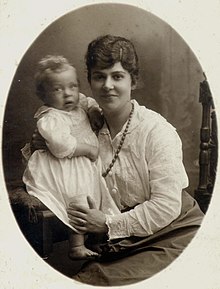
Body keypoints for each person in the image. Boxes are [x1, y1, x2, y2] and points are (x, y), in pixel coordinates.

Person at [32, 35, 204, 286]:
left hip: (172, 234)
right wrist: (41, 142)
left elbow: (166, 207)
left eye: (117, 76)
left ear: (133, 81)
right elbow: (58, 154)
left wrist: (108, 223)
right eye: (99, 76)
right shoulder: (85, 125)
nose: (107, 85)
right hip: (121, 242)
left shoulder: (156, 131)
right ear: (89, 81)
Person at [22, 55, 120, 260]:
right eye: (58, 89)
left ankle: (99, 239)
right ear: (43, 95)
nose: (68, 94)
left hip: (82, 166)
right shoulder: (50, 117)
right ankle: (76, 245)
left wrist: (93, 110)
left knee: (95, 196)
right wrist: (88, 150)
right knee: (77, 196)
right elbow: (61, 146)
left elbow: (89, 101)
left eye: (73, 86)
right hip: (62, 166)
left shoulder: (80, 102)